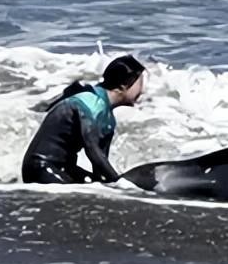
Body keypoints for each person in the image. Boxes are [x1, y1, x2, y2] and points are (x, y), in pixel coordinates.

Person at [21, 55, 147, 185]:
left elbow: (100, 163)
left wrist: (109, 185)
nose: (142, 91)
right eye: (140, 84)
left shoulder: (108, 118)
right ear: (124, 85)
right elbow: (92, 150)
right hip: (41, 166)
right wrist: (119, 182)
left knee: (96, 188)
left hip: (65, 167)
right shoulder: (90, 104)